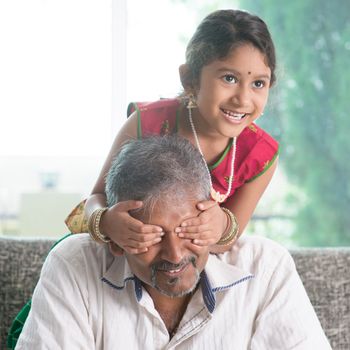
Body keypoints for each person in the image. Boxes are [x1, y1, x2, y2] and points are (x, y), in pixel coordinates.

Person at [16, 136, 331, 349]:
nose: (175, 254)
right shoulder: (73, 264)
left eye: (187, 229)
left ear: (211, 213)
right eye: (149, 236)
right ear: (115, 241)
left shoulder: (267, 268)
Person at [80, 8, 279, 255]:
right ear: (189, 79)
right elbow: (95, 198)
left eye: (258, 83)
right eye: (229, 78)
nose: (243, 99)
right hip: (130, 254)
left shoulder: (260, 155)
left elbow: (229, 239)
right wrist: (106, 221)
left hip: (190, 265)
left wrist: (222, 225)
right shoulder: (146, 123)